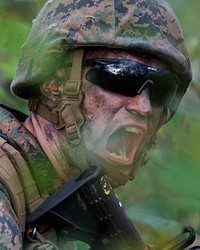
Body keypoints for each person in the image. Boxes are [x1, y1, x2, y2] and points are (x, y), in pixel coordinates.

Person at [0, 0, 193, 249]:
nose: (143, 107)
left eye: (162, 89)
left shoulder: (62, 197)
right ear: (54, 85)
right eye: (122, 77)